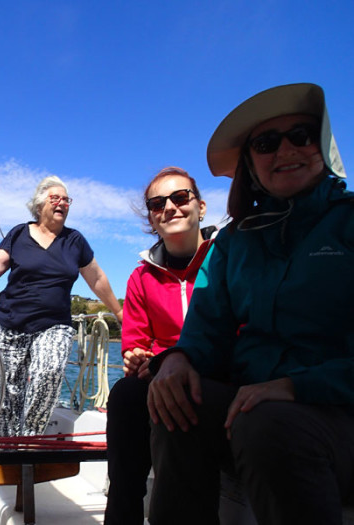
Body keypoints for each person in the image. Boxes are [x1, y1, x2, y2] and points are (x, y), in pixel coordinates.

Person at [146, 83, 353, 524]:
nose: (285, 150)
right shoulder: (236, 241)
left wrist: (298, 387)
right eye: (266, 143)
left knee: (268, 422)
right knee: (168, 398)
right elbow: (208, 325)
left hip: (339, 411)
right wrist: (180, 358)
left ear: (324, 144)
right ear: (251, 164)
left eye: (301, 135)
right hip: (256, 408)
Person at [0, 175, 123, 436]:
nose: (62, 203)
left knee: (48, 374)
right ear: (40, 205)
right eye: (55, 198)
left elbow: (96, 278)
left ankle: (29, 441)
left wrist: (118, 312)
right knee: (9, 391)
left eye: (66, 199)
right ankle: (7, 445)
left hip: (54, 325)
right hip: (10, 323)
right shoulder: (19, 233)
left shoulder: (75, 241)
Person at [104, 167, 216, 525]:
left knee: (173, 401)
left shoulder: (226, 259)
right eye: (157, 203)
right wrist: (135, 356)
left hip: (221, 370)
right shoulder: (141, 277)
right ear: (152, 218)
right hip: (161, 375)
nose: (169, 207)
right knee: (124, 396)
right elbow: (135, 340)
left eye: (180, 198)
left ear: (201, 206)